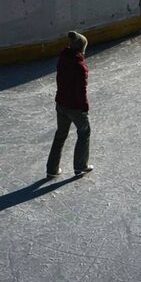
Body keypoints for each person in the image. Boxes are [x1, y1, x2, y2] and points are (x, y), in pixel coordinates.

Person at [46, 31, 93, 178]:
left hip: (61, 103)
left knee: (60, 134)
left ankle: (52, 169)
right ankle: (80, 166)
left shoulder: (63, 58)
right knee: (84, 132)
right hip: (75, 106)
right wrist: (84, 107)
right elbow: (81, 90)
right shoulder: (80, 66)